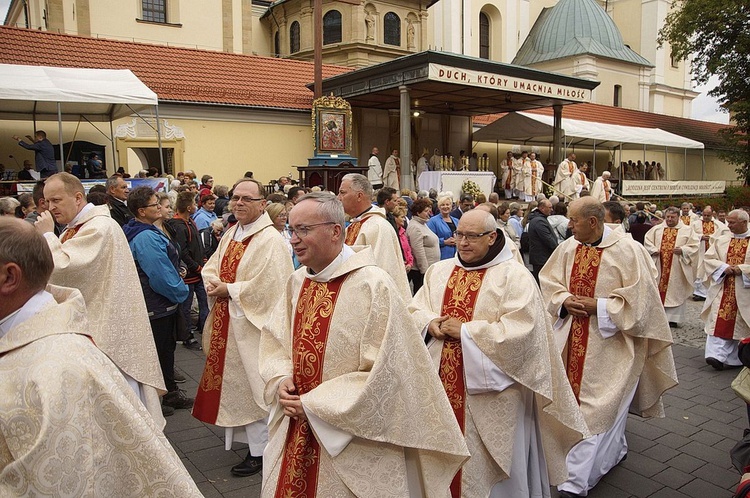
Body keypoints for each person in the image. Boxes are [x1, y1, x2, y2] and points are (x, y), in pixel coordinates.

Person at [259, 193, 469, 497]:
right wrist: (281, 378)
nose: (293, 239)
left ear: (334, 230)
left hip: (354, 438)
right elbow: (276, 341)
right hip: (297, 424)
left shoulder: (373, 285)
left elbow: (388, 372)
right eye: (291, 230)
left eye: (303, 230)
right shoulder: (297, 282)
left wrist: (317, 404)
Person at [0, 218, 202, 497]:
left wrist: (179, 292)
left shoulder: (56, 372)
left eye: (57, 198)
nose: (52, 207)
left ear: (9, 277)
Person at [409, 209, 588, 496]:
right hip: (440, 386)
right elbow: (414, 310)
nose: (463, 242)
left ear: (492, 237)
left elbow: (524, 334)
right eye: (459, 235)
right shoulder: (438, 271)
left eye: (472, 236)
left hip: (493, 394)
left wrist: (467, 332)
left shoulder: (514, 276)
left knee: (488, 466)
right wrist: (430, 322)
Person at [539, 197, 678, 497]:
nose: (568, 224)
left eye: (573, 220)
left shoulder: (629, 251)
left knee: (596, 409)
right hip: (569, 339)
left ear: (593, 221)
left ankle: (574, 481)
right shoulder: (567, 248)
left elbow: (643, 302)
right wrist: (563, 300)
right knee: (582, 407)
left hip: (612, 344)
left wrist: (599, 307)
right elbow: (548, 282)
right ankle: (614, 453)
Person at [33, 172, 166, 426]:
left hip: (110, 334)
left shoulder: (100, 227)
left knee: (124, 412)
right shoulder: (77, 228)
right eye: (47, 201)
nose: (50, 207)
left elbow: (63, 269)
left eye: (56, 200)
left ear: (78, 197)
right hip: (95, 328)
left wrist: (48, 236)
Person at [192, 178, 294, 477]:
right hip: (231, 321)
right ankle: (250, 444)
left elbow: (272, 287)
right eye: (236, 197)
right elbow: (213, 264)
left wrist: (231, 290)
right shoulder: (233, 232)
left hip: (253, 327)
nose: (239, 203)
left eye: (247, 199)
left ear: (263, 204)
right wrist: (214, 282)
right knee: (237, 388)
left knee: (256, 388)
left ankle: (263, 450)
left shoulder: (270, 240)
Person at [123, 187, 193, 414]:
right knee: (160, 352)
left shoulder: (146, 231)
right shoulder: (145, 236)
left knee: (164, 351)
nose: (159, 207)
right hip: (158, 305)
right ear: (142, 211)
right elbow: (160, 275)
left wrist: (179, 268)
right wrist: (181, 290)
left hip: (158, 303)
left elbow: (167, 261)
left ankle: (167, 393)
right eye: (155, 204)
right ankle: (160, 399)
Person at [337, 173, 411, 300]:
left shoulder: (378, 227)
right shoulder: (352, 226)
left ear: (359, 196)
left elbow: (383, 272)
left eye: (342, 193)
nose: (339, 198)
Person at [701, 209, 750, 370]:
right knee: (717, 320)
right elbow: (709, 258)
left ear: (744, 222)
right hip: (722, 286)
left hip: (744, 290)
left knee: (740, 324)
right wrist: (723, 267)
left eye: (732, 222)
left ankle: (736, 358)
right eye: (728, 222)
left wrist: (742, 269)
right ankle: (715, 355)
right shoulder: (722, 239)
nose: (728, 225)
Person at [166, 191, 209, 351]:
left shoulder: (190, 222)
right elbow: (182, 251)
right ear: (189, 207)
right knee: (186, 307)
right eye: (194, 204)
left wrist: (203, 260)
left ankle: (205, 331)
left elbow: (197, 246)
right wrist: (196, 267)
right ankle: (187, 336)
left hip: (198, 273)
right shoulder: (178, 225)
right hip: (190, 275)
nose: (196, 206)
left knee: (205, 303)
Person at [644, 206, 699, 327]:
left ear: (678, 217)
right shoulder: (657, 229)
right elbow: (647, 242)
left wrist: (683, 250)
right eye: (667, 217)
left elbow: (694, 246)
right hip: (659, 264)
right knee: (657, 289)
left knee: (676, 291)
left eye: (672, 217)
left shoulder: (687, 230)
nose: (669, 219)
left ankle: (673, 319)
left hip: (677, 267)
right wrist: (653, 250)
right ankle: (657, 316)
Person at [691, 205, 729, 301]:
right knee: (699, 271)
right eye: (704, 215)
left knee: (709, 270)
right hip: (700, 251)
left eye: (708, 215)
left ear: (712, 214)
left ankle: (709, 292)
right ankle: (699, 293)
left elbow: (724, 236)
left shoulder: (719, 225)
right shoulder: (695, 224)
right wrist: (700, 237)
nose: (706, 217)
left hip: (713, 252)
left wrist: (712, 238)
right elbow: (690, 234)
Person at [406, 198, 440, 293]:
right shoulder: (415, 227)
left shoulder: (422, 223)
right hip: (420, 271)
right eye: (425, 211)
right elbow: (418, 250)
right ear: (418, 212)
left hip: (429, 267)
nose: (428, 213)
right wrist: (424, 271)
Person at [527, 199, 558, 282]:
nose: (552, 210)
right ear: (542, 208)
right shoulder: (539, 221)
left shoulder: (540, 219)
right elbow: (548, 240)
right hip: (541, 259)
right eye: (550, 207)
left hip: (542, 258)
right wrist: (557, 249)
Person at [428, 195, 459, 260]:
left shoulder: (457, 221)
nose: (445, 207)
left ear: (451, 206)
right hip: (441, 255)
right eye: (442, 205)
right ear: (439, 207)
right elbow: (429, 240)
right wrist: (444, 242)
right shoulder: (433, 221)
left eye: (447, 204)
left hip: (457, 255)